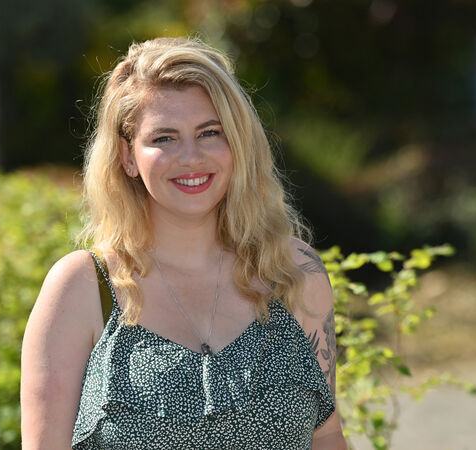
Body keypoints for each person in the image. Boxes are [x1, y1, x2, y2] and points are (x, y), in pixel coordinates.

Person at [20, 37, 346, 450]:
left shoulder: (292, 272)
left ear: (237, 143)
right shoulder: (83, 287)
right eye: (164, 138)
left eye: (209, 132)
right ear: (127, 157)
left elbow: (327, 437)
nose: (191, 157)